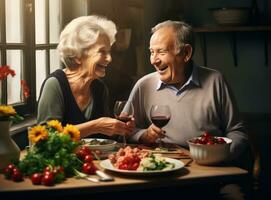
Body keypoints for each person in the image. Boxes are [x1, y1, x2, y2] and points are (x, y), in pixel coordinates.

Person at [128, 20, 253, 198]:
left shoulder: (215, 81)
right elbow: (124, 130)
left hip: (210, 176)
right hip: (160, 176)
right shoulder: (143, 85)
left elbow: (237, 132)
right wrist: (143, 135)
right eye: (151, 52)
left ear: (186, 53)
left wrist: (218, 154)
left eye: (161, 52)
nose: (154, 60)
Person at [37, 15, 134, 139]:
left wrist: (120, 129)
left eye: (109, 52)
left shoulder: (99, 88)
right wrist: (96, 126)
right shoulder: (55, 85)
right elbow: (45, 138)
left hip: (94, 158)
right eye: (102, 52)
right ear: (78, 56)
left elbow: (105, 140)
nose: (109, 59)